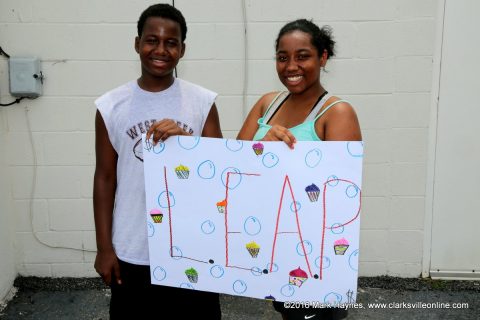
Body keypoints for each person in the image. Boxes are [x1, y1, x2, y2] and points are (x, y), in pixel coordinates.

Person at [93, 4, 222, 319]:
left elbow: (219, 172)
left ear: (182, 49)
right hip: (132, 249)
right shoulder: (110, 106)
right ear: (137, 43)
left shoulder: (203, 102)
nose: (160, 49)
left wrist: (185, 144)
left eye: (171, 42)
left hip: (191, 247)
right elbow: (105, 178)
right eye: (152, 40)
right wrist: (105, 247)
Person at [237, 19, 361, 320]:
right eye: (283, 57)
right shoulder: (268, 103)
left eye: (302, 56)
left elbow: (340, 197)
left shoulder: (337, 113)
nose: (291, 66)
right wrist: (262, 150)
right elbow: (234, 168)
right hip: (272, 246)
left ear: (323, 57)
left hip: (312, 255)